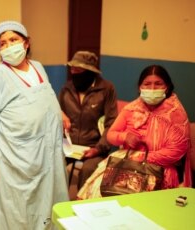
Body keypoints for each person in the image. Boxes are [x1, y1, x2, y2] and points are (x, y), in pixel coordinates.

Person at [0, 20, 69, 230]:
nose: (9, 46)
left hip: (46, 150)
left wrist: (60, 114)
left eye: (13, 40)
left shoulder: (38, 67)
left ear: (26, 43)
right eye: (3, 43)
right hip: (15, 155)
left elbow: (47, 95)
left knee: (48, 196)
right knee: (17, 207)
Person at [77, 64, 192, 199]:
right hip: (127, 162)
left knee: (137, 202)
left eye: (158, 84)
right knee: (99, 191)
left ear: (167, 86)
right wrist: (125, 137)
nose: (152, 89)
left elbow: (177, 150)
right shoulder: (132, 108)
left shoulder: (175, 113)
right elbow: (111, 135)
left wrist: (143, 157)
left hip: (159, 168)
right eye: (147, 84)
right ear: (140, 87)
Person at [58, 50, 118, 189]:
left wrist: (98, 149)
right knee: (52, 165)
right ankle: (55, 204)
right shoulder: (66, 89)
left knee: (88, 170)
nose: (74, 73)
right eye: (72, 69)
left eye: (78, 70)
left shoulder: (106, 90)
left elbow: (111, 124)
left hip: (94, 147)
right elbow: (56, 116)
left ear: (90, 72)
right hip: (68, 146)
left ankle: (82, 205)